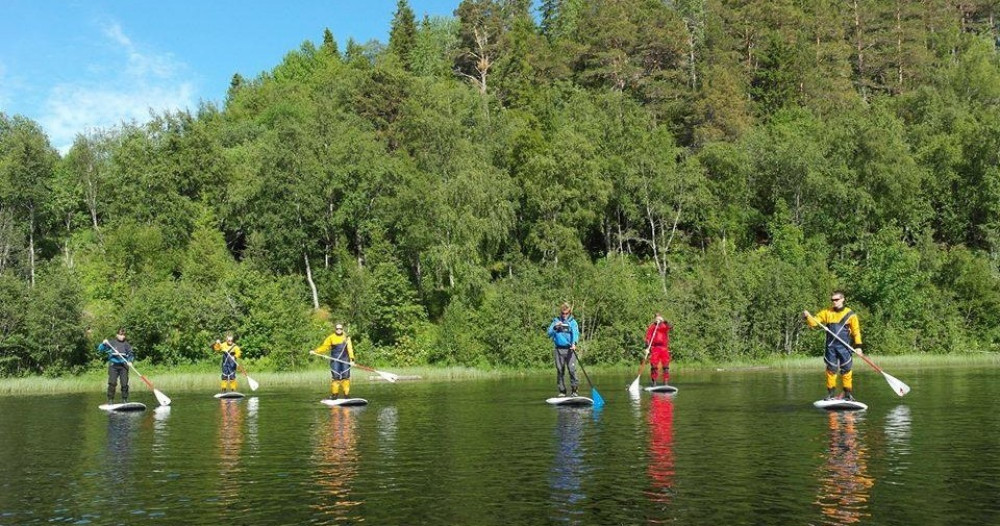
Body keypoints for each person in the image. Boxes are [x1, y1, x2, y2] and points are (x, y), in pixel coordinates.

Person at [804, 291, 863, 401]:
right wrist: (807, 317)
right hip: (831, 347)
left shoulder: (850, 314)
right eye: (832, 300)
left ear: (842, 299)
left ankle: (848, 394)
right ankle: (831, 395)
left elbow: (856, 331)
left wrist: (858, 346)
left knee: (846, 370)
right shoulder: (826, 312)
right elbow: (814, 323)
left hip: (844, 347)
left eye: (836, 300)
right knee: (831, 370)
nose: (834, 302)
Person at [313, 323, 355, 399]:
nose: (339, 330)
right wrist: (315, 351)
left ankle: (346, 395)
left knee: (346, 377)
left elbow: (350, 348)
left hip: (345, 359)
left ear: (343, 329)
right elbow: (324, 347)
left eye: (340, 329)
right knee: (336, 377)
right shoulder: (331, 338)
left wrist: (352, 359)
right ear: (335, 329)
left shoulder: (347, 337)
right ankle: (334, 395)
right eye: (337, 329)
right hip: (335, 360)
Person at [547, 303, 580, 397]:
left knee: (572, 370)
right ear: (560, 313)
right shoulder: (556, 321)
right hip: (558, 350)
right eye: (563, 313)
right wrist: (555, 327)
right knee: (560, 370)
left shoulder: (573, 322)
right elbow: (549, 333)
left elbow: (575, 334)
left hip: (570, 350)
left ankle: (574, 390)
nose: (564, 315)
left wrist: (574, 343)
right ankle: (562, 391)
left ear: (569, 312)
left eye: (566, 313)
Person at [98, 328, 134, 404]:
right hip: (113, 366)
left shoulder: (127, 344)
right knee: (112, 383)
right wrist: (103, 343)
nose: (122, 336)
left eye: (123, 335)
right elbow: (100, 349)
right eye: (121, 335)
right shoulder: (112, 343)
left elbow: (131, 354)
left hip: (124, 366)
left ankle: (125, 400)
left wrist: (130, 361)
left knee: (124, 384)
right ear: (117, 335)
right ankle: (110, 400)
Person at [645, 313, 674, 386]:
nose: (657, 318)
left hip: (664, 348)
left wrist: (665, 321)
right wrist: (648, 347)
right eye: (656, 317)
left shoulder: (664, 325)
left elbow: (671, 326)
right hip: (655, 348)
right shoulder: (652, 326)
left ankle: (666, 384)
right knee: (654, 366)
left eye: (659, 317)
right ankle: (654, 384)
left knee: (666, 366)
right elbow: (648, 337)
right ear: (655, 318)